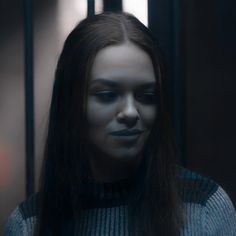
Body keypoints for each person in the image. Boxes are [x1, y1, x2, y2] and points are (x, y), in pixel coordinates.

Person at [5, 11, 236, 236]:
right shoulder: (28, 224)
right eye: (107, 94)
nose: (130, 112)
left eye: (146, 96)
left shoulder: (206, 207)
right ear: (71, 103)